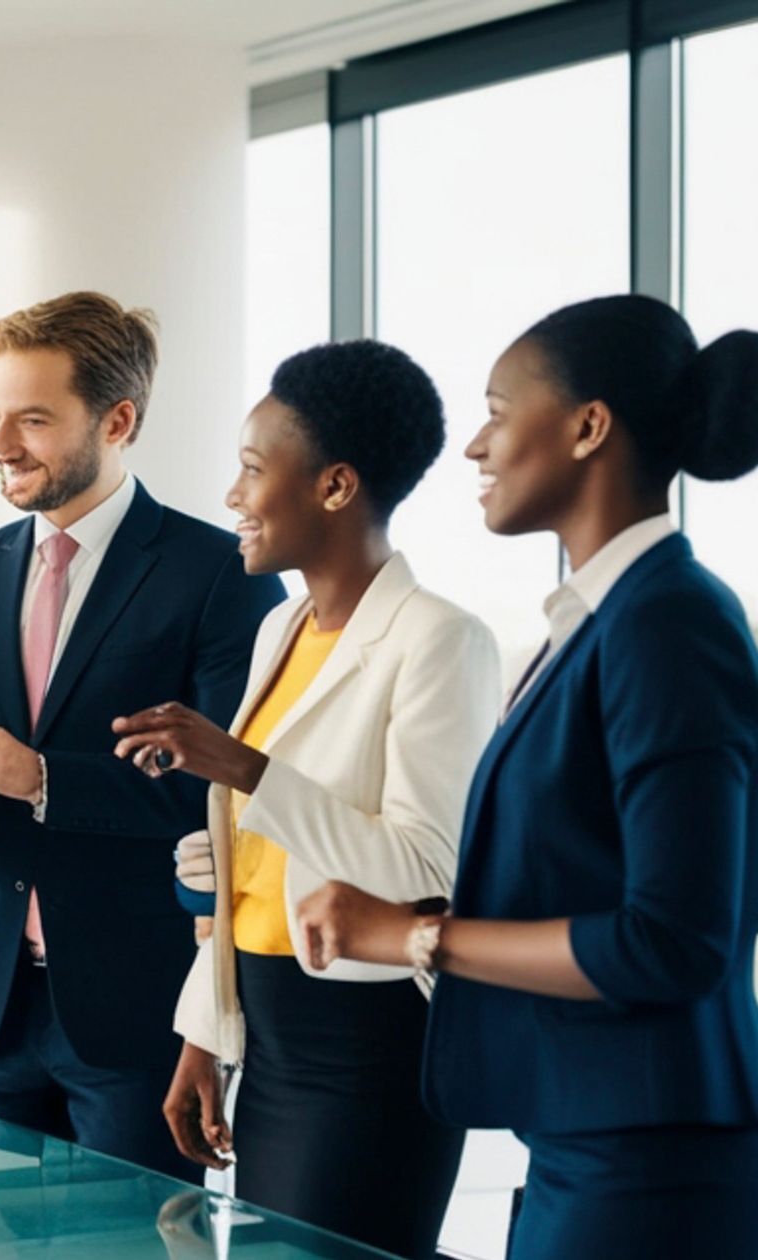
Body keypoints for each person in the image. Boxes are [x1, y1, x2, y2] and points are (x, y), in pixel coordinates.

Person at [298, 294, 758, 1259]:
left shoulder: (669, 625)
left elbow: (673, 941)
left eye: (500, 411)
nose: (475, 446)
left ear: (590, 427)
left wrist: (415, 934)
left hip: (648, 1164)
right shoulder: (600, 624)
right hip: (583, 1138)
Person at [110, 340, 496, 1257]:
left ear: (334, 487)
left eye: (252, 470)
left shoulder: (440, 639)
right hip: (269, 1035)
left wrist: (241, 768)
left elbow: (426, 870)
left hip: (369, 1047)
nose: (235, 497)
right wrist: (205, 1033)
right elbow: (255, 871)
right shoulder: (281, 626)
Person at [0, 291, 282, 1178]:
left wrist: (43, 778)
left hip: (140, 1017)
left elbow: (230, 793)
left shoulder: (223, 578)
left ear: (118, 420)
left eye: (32, 420)